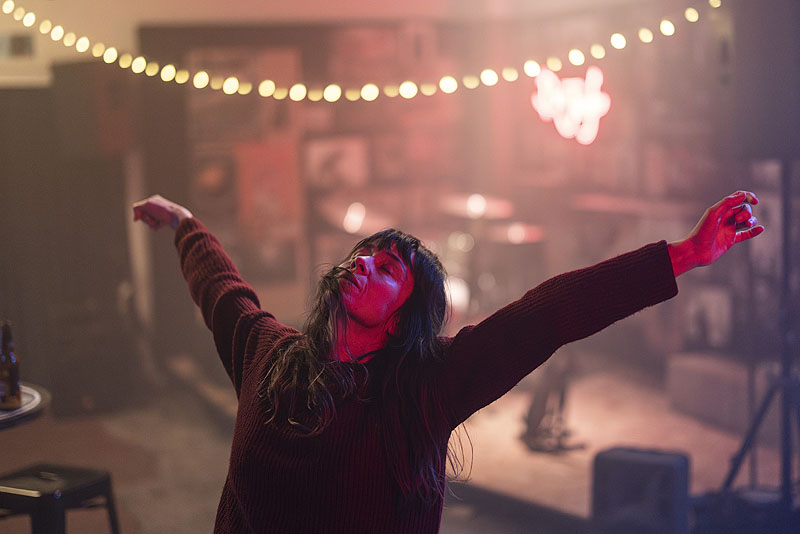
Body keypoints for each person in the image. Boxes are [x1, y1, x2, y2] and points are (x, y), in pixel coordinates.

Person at [133, 190, 763, 533]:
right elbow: (223, 292)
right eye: (362, 257)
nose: (361, 265)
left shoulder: (426, 388)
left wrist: (681, 255)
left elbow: (547, 315)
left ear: (405, 316)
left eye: (386, 269)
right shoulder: (268, 356)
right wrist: (187, 225)